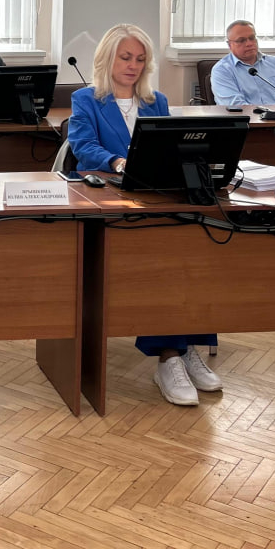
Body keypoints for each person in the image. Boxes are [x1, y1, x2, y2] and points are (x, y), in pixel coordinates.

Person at [55, 23, 222, 407]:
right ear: (108, 59)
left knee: (194, 252)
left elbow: (172, 147)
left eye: (140, 59)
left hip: (156, 199)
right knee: (160, 259)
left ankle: (186, 349)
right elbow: (83, 145)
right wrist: (117, 161)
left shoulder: (155, 101)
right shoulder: (86, 99)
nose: (133, 65)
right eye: (126, 57)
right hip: (110, 203)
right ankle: (169, 356)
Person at [209, 19, 275, 107]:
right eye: (241, 40)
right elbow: (235, 106)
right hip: (247, 117)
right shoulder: (222, 70)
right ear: (229, 45)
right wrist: (266, 114)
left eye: (252, 38)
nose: (249, 44)